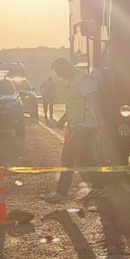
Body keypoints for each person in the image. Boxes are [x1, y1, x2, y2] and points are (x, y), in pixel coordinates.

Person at [42, 58, 105, 202]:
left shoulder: (84, 81)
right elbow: (75, 104)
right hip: (78, 125)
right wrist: (64, 119)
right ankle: (99, 188)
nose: (59, 75)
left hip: (85, 126)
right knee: (87, 158)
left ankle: (61, 194)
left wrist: (101, 124)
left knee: (68, 158)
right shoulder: (73, 81)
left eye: (59, 72)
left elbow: (95, 101)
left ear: (66, 68)